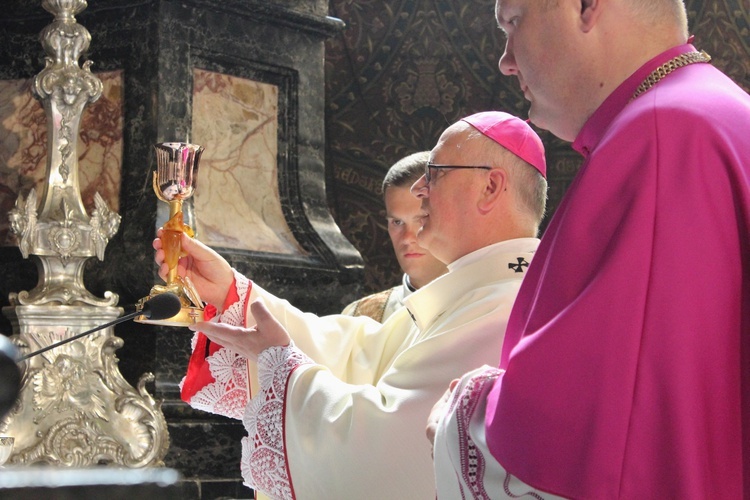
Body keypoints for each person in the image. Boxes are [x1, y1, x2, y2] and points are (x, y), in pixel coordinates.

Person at [428, 1, 750, 498]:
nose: (505, 61)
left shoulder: (661, 135)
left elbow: (613, 448)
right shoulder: (711, 112)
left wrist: (462, 418)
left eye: (513, 22)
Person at [155, 111, 548, 499]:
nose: (420, 190)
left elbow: (390, 449)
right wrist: (232, 292)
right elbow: (360, 355)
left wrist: (282, 366)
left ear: (490, 187)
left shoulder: (508, 307)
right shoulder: (476, 292)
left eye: (436, 173)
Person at [341, 151, 447, 322]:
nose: (407, 238)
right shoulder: (359, 316)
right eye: (397, 222)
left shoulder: (488, 312)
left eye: (421, 219)